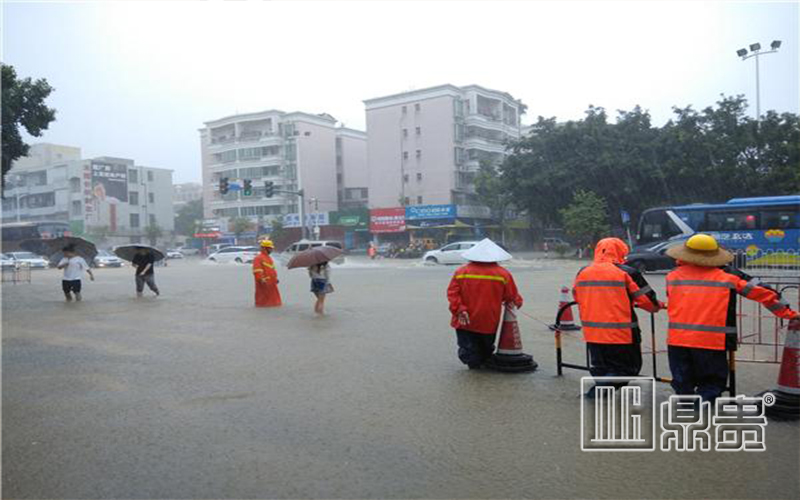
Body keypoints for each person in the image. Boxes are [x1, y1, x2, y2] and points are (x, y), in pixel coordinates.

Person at [665, 234, 800, 403]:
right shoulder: (728, 277)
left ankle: (686, 404)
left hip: (677, 339)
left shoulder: (672, 276)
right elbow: (764, 293)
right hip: (711, 340)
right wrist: (789, 314)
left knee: (682, 377)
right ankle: (704, 405)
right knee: (711, 379)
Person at [572, 238, 663, 397]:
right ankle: (594, 396)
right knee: (626, 370)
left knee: (600, 368)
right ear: (621, 251)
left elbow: (577, 296)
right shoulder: (627, 272)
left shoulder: (583, 272)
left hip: (593, 334)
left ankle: (597, 400)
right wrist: (658, 305)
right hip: (622, 335)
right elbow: (649, 303)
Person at [446, 238, 523, 369]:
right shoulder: (503, 274)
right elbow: (511, 296)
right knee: (486, 347)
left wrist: (459, 309)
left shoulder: (461, 272)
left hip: (464, 318)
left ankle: (473, 371)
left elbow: (452, 294)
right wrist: (517, 302)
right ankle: (483, 368)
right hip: (488, 319)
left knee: (468, 347)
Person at [252, 239, 282, 307]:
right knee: (264, 302)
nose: (271, 250)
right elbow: (257, 271)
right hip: (264, 284)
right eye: (270, 248)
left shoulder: (269, 258)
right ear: (265, 248)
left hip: (272, 283)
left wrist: (275, 278)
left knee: (275, 302)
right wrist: (262, 279)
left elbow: (272, 269)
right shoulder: (258, 258)